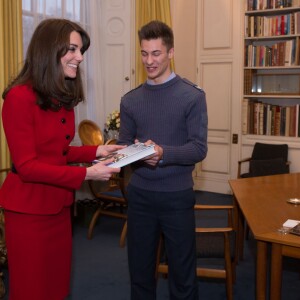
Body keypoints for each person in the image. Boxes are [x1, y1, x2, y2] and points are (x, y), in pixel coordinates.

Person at [0, 18, 125, 300]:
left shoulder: (60, 97)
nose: (80, 57)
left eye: (80, 51)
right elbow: (28, 166)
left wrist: (97, 152)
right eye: (72, 49)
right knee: (32, 290)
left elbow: (59, 153)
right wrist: (87, 175)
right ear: (48, 49)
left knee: (56, 287)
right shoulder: (18, 98)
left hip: (58, 209)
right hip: (28, 213)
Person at [118, 20, 208, 299]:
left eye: (156, 53)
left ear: (170, 53)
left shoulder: (192, 96)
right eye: (144, 53)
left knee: (182, 276)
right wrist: (133, 152)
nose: (149, 60)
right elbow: (122, 148)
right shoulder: (130, 100)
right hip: (140, 197)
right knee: (140, 275)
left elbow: (198, 149)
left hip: (177, 197)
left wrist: (162, 153)